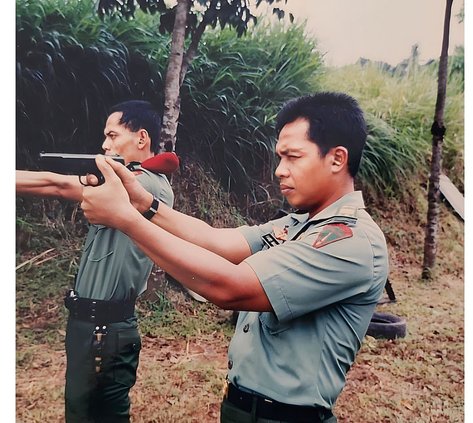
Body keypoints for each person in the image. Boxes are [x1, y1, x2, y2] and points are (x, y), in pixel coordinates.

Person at [81, 92, 389, 423]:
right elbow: (218, 241)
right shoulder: (297, 224)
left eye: (293, 157)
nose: (279, 171)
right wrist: (145, 205)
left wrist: (126, 220)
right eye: (279, 158)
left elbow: (231, 288)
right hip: (243, 408)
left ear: (337, 159)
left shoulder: (350, 240)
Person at [16, 100, 174, 423]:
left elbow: (58, 184)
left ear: (141, 139)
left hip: (107, 331)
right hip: (89, 327)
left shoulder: (149, 185)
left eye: (113, 135)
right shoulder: (126, 184)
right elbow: (57, 185)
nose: (105, 144)